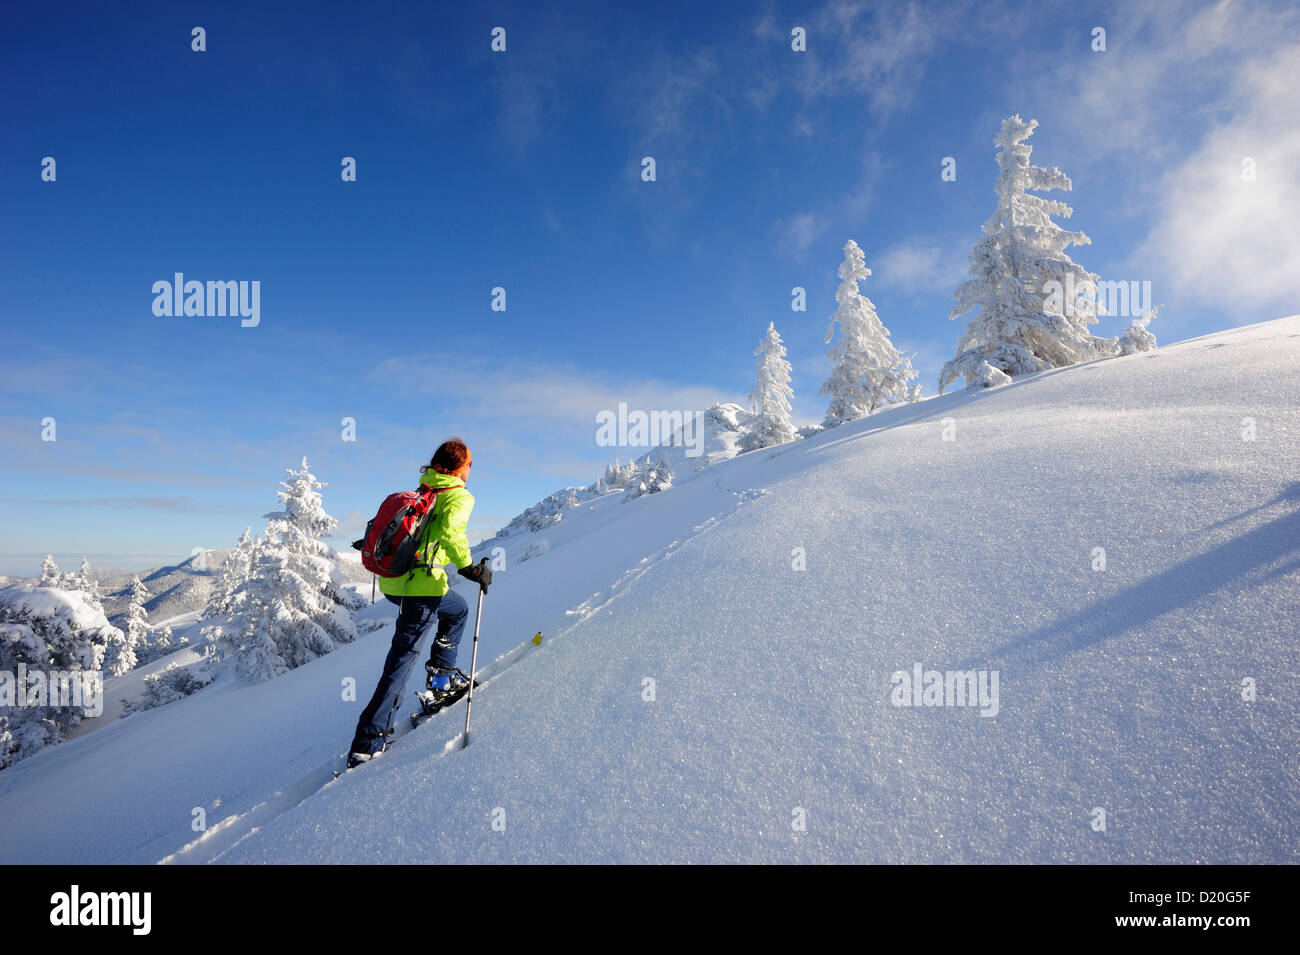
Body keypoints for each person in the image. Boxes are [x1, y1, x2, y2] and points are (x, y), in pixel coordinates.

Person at [348, 438, 492, 767]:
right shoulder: (457, 494)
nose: (471, 469)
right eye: (470, 464)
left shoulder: (426, 488)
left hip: (395, 583)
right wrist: (471, 568)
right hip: (420, 589)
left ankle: (441, 680)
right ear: (461, 466)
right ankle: (367, 742)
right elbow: (454, 533)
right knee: (401, 661)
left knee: (457, 609)